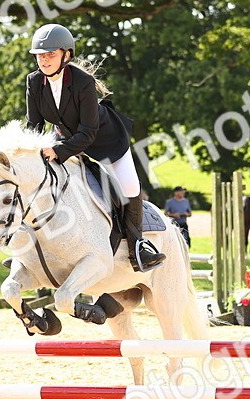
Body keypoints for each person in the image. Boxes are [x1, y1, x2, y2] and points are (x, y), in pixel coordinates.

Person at [24, 23, 164, 271]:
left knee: (130, 186)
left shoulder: (83, 82)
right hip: (65, 139)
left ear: (66, 55)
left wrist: (58, 151)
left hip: (105, 140)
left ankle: (138, 247)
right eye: (40, 55)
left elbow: (88, 132)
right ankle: (32, 248)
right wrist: (29, 153)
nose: (44, 60)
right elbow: (34, 125)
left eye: (50, 54)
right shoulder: (34, 82)